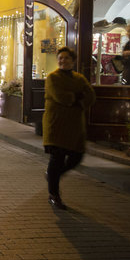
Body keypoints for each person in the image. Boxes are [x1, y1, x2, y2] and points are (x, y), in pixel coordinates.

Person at [43, 46, 95, 210]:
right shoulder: (53, 78)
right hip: (56, 125)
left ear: (73, 61)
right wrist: (77, 97)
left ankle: (53, 175)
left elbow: (91, 96)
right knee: (57, 159)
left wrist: (78, 100)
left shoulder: (79, 79)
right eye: (60, 58)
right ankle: (54, 194)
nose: (63, 60)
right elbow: (61, 97)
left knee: (77, 156)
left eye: (66, 58)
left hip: (74, 125)